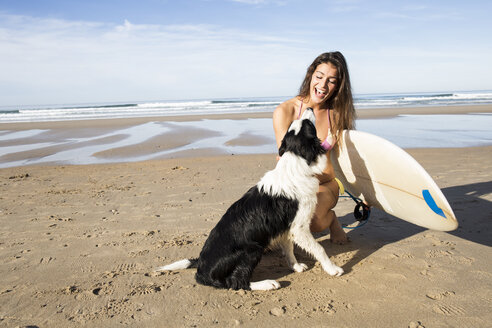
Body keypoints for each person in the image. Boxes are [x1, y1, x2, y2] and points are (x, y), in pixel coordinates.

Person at [273, 51, 356, 244]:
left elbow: (349, 159)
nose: (323, 85)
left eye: (331, 80)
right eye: (319, 77)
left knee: (316, 221)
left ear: (338, 86)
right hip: (294, 185)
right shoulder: (285, 111)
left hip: (326, 183)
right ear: (311, 75)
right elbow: (286, 159)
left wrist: (364, 193)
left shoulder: (336, 115)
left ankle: (332, 220)